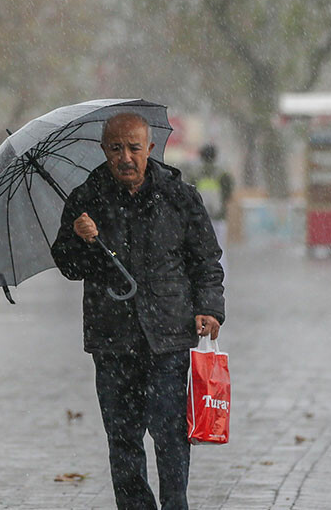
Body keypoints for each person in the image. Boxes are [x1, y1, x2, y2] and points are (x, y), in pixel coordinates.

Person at [50, 113, 225, 510]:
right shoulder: (86, 200)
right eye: (116, 149)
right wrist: (80, 241)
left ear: (150, 148)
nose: (125, 157)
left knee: (170, 433)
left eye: (133, 148)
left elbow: (206, 261)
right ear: (104, 151)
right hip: (112, 340)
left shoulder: (180, 197)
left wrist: (210, 308)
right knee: (123, 437)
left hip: (169, 336)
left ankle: (175, 503)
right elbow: (69, 265)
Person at [187, 144, 233, 270]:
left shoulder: (195, 174)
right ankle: (222, 278)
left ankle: (205, 277)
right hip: (219, 217)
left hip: (200, 217)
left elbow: (189, 194)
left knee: (201, 249)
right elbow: (228, 194)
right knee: (220, 247)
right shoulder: (223, 173)